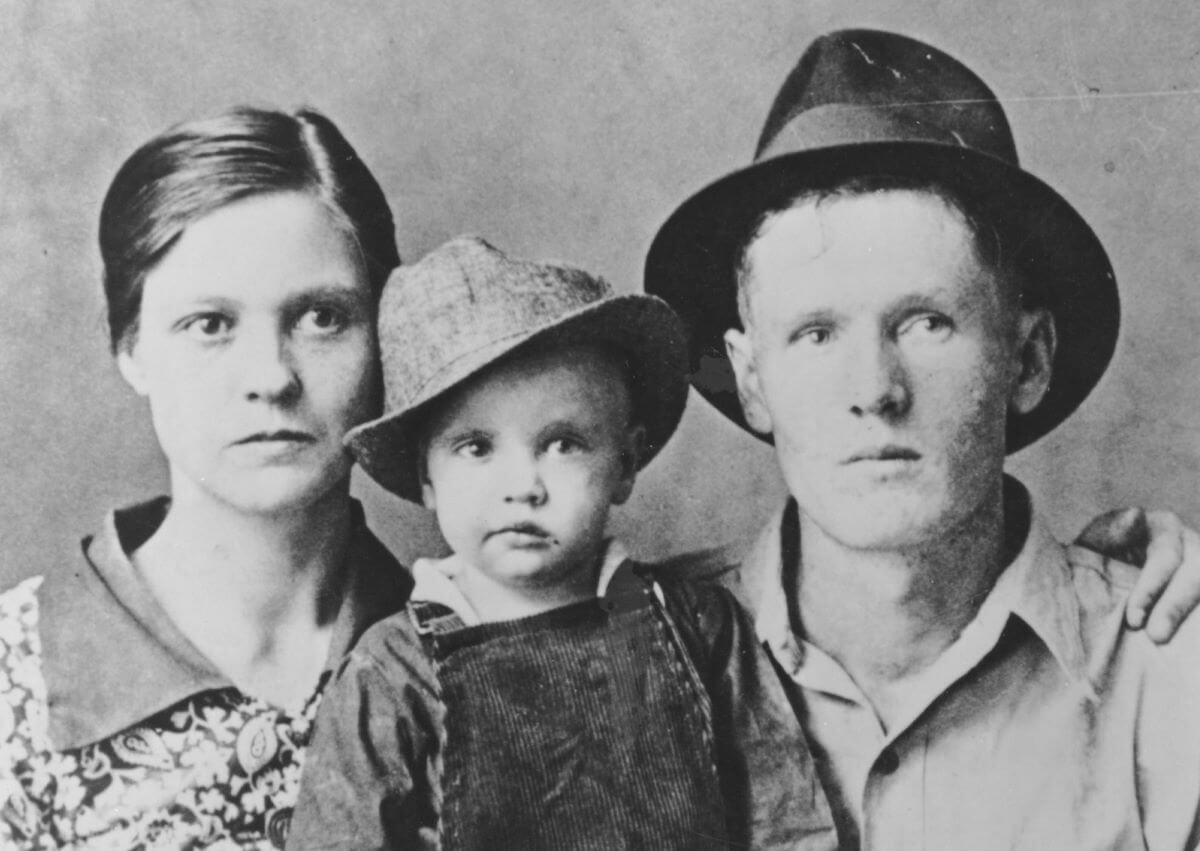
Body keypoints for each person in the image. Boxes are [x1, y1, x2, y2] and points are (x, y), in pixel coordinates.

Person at [646, 28, 1200, 848]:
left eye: (927, 322)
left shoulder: (1174, 684)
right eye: (815, 333)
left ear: (1027, 358)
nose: (875, 389)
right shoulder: (635, 650)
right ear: (752, 377)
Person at [287, 236, 828, 850]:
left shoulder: (698, 625)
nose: (522, 487)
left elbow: (788, 826)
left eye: (563, 443)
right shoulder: (392, 673)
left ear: (624, 465)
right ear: (426, 478)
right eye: (476, 447)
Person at [0, 107, 410, 848]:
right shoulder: (13, 683)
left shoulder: (465, 658)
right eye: (211, 324)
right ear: (131, 348)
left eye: (322, 316)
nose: (272, 377)